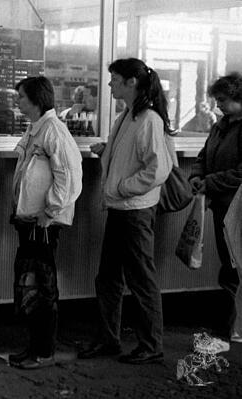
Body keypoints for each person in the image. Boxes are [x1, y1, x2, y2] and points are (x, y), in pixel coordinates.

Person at [79, 58, 172, 365]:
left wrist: (121, 187)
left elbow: (158, 169)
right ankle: (109, 339)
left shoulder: (148, 119)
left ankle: (151, 345)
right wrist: (107, 151)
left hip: (134, 210)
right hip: (122, 208)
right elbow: (135, 157)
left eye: (115, 79)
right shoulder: (128, 116)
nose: (110, 84)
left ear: (132, 82)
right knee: (108, 278)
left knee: (141, 278)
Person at [8, 76, 83, 370]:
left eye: (21, 97)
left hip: (43, 224)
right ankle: (35, 347)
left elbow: (70, 176)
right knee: (30, 285)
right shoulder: (37, 128)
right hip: (32, 221)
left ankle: (43, 351)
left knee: (41, 287)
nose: (17, 101)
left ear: (36, 100)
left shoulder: (53, 130)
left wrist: (50, 211)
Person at [190, 73, 242, 343]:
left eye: (222, 100)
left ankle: (236, 325)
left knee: (236, 265)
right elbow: (203, 155)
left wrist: (210, 181)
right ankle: (231, 323)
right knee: (228, 263)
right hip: (222, 204)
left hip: (237, 206)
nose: (218, 105)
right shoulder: (220, 126)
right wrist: (197, 175)